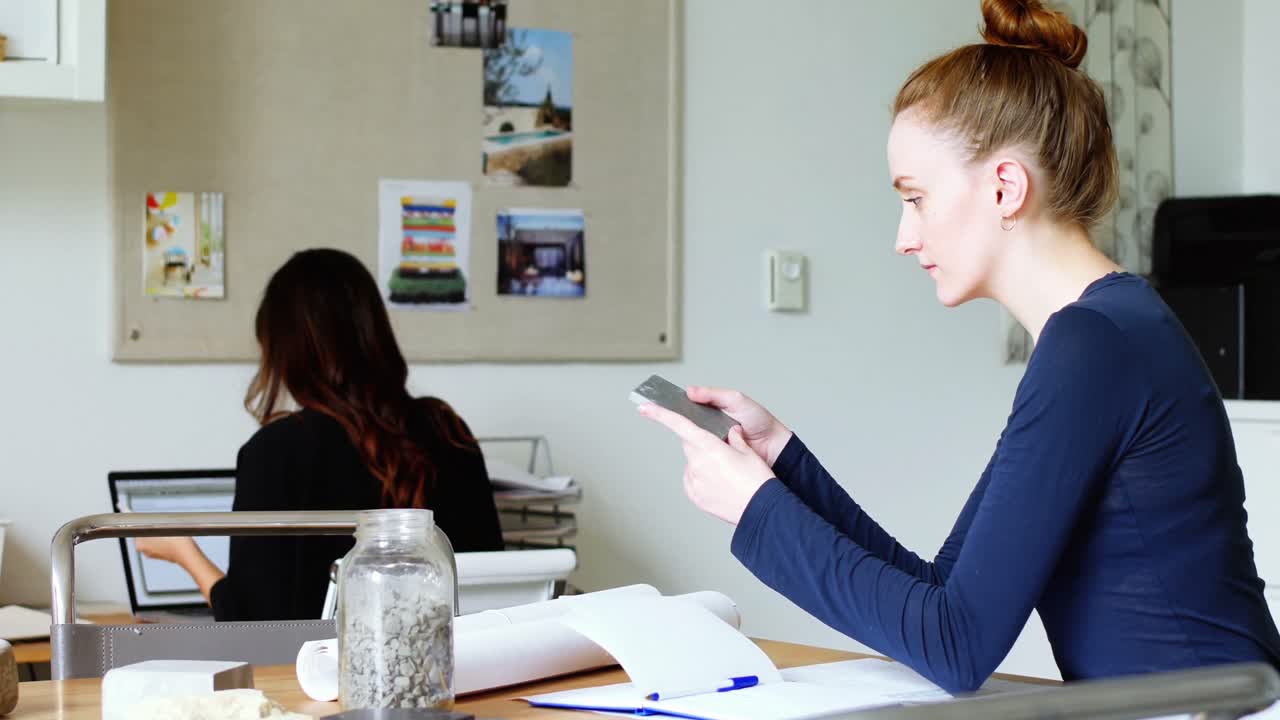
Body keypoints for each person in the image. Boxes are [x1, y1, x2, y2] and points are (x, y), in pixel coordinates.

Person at [639, 0, 1280, 693]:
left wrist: (755, 509)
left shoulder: (1093, 346)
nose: (903, 236)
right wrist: (783, 465)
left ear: (1005, 187)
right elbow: (945, 594)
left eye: (915, 198)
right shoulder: (1104, 332)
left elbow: (953, 643)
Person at [137, 249, 504, 621]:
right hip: (450, 671)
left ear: (286, 355)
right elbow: (495, 587)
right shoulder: (447, 429)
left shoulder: (277, 451)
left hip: (315, 675)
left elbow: (251, 623)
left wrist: (185, 554)